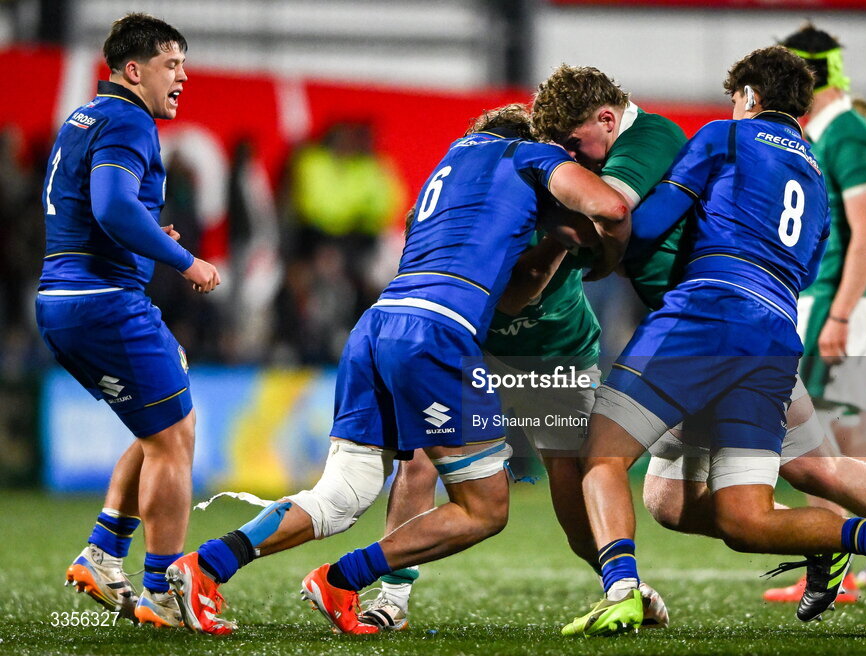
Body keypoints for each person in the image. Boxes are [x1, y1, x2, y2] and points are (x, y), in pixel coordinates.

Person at [563, 46, 866, 637]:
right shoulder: (817, 177)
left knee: (602, 455)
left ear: (747, 97)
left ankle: (621, 589)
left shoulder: (725, 137)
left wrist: (587, 240)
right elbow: (807, 263)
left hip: (706, 317)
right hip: (772, 335)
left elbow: (648, 225)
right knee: (754, 506)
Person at [164, 104, 631, 635]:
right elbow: (609, 207)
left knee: (342, 496)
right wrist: (604, 241)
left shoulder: (448, 166)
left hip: (378, 325)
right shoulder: (529, 155)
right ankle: (342, 578)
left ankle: (203, 567)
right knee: (485, 509)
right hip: (439, 334)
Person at [356, 65, 686, 632]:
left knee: (569, 482)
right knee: (416, 466)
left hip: (553, 354)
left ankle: (618, 583)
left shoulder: (565, 194)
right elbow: (511, 296)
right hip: (473, 350)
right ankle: (390, 595)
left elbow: (607, 227)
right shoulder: (478, 209)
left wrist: (572, 242)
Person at [38, 13, 220, 627]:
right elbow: (113, 206)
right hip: (104, 301)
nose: (183, 77)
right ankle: (163, 590)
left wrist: (144, 238)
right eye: (173, 65)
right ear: (134, 70)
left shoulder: (86, 117)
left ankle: (104, 552)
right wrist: (184, 258)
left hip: (67, 300)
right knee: (177, 440)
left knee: (163, 426)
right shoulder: (128, 119)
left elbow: (99, 212)